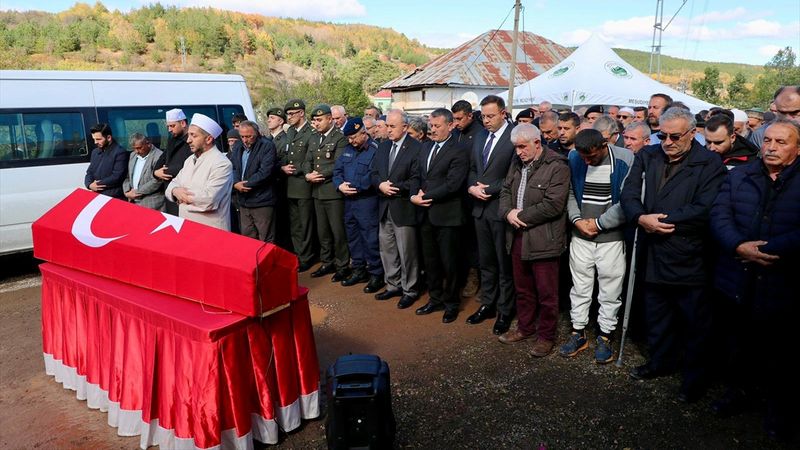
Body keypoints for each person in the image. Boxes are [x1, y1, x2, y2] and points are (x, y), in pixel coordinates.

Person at [621, 108, 727, 402]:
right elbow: (628, 193)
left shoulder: (709, 163)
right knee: (657, 315)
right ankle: (660, 361)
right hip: (652, 250)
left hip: (687, 254)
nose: (667, 141)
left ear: (693, 133)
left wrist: (662, 220)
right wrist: (641, 217)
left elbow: (705, 207)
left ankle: (694, 379)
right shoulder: (648, 156)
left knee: (694, 323)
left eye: (675, 136)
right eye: (662, 135)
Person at [709, 119, 800, 440]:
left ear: (797, 148)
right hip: (738, 277)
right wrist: (738, 246)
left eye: (782, 142)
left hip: (783, 282)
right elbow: (719, 214)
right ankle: (736, 392)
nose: (772, 147)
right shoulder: (741, 175)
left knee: (782, 353)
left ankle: (779, 411)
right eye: (768, 141)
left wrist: (771, 249)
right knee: (737, 343)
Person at [559, 129, 633, 363]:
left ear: (604, 145)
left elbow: (627, 199)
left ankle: (605, 335)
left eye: (591, 157)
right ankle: (578, 332)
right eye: (583, 157)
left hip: (611, 236)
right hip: (580, 234)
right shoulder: (574, 157)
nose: (586, 161)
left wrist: (600, 224)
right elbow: (569, 193)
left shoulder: (624, 158)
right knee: (579, 286)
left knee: (610, 289)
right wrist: (577, 221)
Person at [497, 123, 569, 357]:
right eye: (516, 148)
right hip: (517, 235)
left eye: (522, 147)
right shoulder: (517, 163)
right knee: (523, 288)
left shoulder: (557, 166)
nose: (518, 152)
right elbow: (505, 191)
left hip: (543, 238)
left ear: (537, 143)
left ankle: (546, 337)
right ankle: (525, 328)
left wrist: (520, 216)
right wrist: (508, 213)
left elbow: (554, 205)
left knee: (547, 292)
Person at [411, 108, 470, 323]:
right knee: (431, 261)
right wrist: (413, 195)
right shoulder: (426, 147)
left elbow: (453, 184)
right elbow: (417, 174)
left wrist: (425, 196)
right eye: (430, 126)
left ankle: (451, 303)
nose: (432, 130)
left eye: (436, 126)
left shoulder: (460, 150)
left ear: (450, 125)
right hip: (425, 214)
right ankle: (435, 298)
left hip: (448, 216)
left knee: (450, 262)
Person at [465, 95, 516, 335]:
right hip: (480, 209)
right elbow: (473, 168)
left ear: (503, 113)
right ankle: (488, 303)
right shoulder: (480, 137)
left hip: (500, 208)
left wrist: (489, 189)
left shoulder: (514, 137)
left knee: (503, 263)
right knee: (485, 262)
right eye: (483, 116)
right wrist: (471, 187)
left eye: (490, 116)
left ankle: (505, 311)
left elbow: (514, 176)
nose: (485, 121)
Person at [370, 109, 422, 308]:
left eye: (393, 126)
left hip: (404, 207)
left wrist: (395, 187)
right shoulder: (383, 147)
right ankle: (393, 285)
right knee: (388, 249)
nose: (388, 130)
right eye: (387, 126)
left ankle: (410, 289)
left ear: (405, 127)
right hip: (384, 206)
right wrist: (380, 185)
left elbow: (416, 179)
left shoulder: (416, 148)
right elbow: (374, 173)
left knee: (407, 252)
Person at [334, 118, 385, 293]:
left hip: (366, 201)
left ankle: (376, 274)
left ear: (364, 133)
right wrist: (339, 185)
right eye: (348, 138)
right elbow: (337, 170)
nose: (351, 141)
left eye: (354, 137)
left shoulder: (375, 150)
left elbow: (372, 176)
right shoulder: (348, 149)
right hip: (349, 201)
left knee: (370, 238)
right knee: (353, 237)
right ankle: (358, 269)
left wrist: (352, 187)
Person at [305, 104, 351, 282]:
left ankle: (342, 265)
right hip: (317, 191)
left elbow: (338, 164)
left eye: (320, 119)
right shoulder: (314, 138)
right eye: (315, 120)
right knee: (322, 231)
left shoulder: (339, 138)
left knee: (337, 231)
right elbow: (307, 161)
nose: (316, 123)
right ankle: (327, 261)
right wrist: (308, 174)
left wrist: (319, 175)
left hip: (332, 191)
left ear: (330, 119)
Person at [165, 114, 234, 231]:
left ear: (208, 139)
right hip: (187, 228)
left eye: (194, 136)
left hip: (211, 231)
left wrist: (181, 197)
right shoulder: (189, 160)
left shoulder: (221, 164)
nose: (188, 140)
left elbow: (209, 199)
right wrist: (175, 190)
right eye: (188, 135)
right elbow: (171, 185)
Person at [281, 99, 317, 272]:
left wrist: (294, 170)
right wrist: (282, 166)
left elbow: (310, 160)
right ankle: (297, 253)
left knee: (306, 223)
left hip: (303, 184)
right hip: (290, 186)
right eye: (287, 114)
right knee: (295, 223)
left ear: (301, 113)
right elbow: (284, 155)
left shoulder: (311, 132)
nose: (289, 117)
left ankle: (307, 256)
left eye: (292, 114)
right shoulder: (290, 133)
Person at [230, 120, 277, 242]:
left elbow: (265, 172)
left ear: (256, 133)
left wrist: (244, 184)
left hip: (262, 200)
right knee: (247, 238)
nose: (245, 140)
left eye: (248, 136)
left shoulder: (267, 146)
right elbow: (233, 167)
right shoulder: (238, 146)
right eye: (242, 136)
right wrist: (235, 183)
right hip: (243, 201)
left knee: (265, 238)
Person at [155, 108, 193, 216]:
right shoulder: (172, 140)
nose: (170, 130)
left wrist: (165, 171)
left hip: (183, 191)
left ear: (183, 123)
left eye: (172, 126)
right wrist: (156, 172)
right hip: (170, 191)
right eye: (168, 126)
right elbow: (162, 159)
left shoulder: (191, 142)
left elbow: (186, 166)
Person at [84, 123, 128, 200]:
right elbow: (90, 172)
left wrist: (96, 185)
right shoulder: (95, 152)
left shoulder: (120, 152)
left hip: (114, 197)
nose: (95, 142)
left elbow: (117, 176)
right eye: (94, 139)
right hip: (97, 196)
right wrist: (89, 185)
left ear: (109, 137)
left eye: (98, 139)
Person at [123, 133, 165, 210]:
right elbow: (128, 176)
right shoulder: (133, 155)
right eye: (134, 148)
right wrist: (127, 192)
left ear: (148, 144)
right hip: (133, 201)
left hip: (152, 203)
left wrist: (137, 192)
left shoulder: (159, 156)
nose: (136, 151)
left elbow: (157, 181)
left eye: (139, 148)